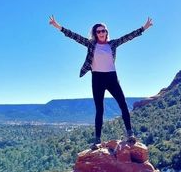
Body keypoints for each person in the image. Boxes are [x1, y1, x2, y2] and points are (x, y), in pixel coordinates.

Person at [49, 15, 153, 150]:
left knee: (123, 104)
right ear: (95, 34)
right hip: (97, 79)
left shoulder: (113, 44)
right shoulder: (91, 44)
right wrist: (58, 26)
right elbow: (74, 36)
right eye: (98, 31)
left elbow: (128, 37)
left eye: (103, 31)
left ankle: (130, 133)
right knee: (100, 109)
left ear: (106, 32)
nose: (101, 33)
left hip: (112, 78)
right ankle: (97, 140)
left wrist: (144, 28)